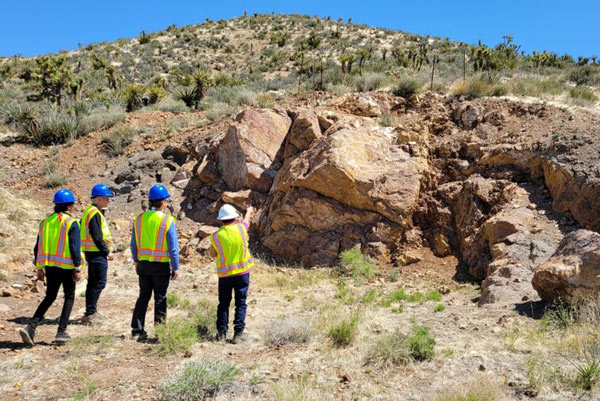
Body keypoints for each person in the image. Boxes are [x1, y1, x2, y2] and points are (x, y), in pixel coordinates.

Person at [19, 189, 82, 346]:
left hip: (50, 266)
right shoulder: (71, 223)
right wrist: (78, 268)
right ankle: (61, 332)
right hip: (67, 267)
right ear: (69, 206)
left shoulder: (45, 222)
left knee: (50, 296)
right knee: (69, 296)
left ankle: (31, 327)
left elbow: (37, 247)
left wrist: (39, 267)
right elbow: (74, 247)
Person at [130, 184, 179, 341]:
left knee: (143, 295)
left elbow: (133, 244)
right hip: (161, 266)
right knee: (160, 298)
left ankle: (137, 330)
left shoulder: (139, 219)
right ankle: (159, 332)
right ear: (163, 202)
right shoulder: (167, 220)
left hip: (143, 264)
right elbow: (173, 248)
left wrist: (136, 261)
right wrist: (176, 267)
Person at [209, 204, 254, 343]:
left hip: (225, 275)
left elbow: (212, 254)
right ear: (235, 218)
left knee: (223, 303)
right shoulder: (241, 228)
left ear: (221, 220)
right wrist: (249, 211)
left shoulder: (215, 236)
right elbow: (246, 221)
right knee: (241, 303)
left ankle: (221, 333)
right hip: (242, 273)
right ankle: (238, 334)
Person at [79, 184, 115, 324]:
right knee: (99, 283)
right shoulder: (94, 213)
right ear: (98, 199)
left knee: (93, 283)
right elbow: (97, 235)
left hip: (91, 252)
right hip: (97, 253)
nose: (109, 201)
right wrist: (107, 252)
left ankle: (90, 311)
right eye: (106, 198)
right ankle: (91, 313)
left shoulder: (89, 211)